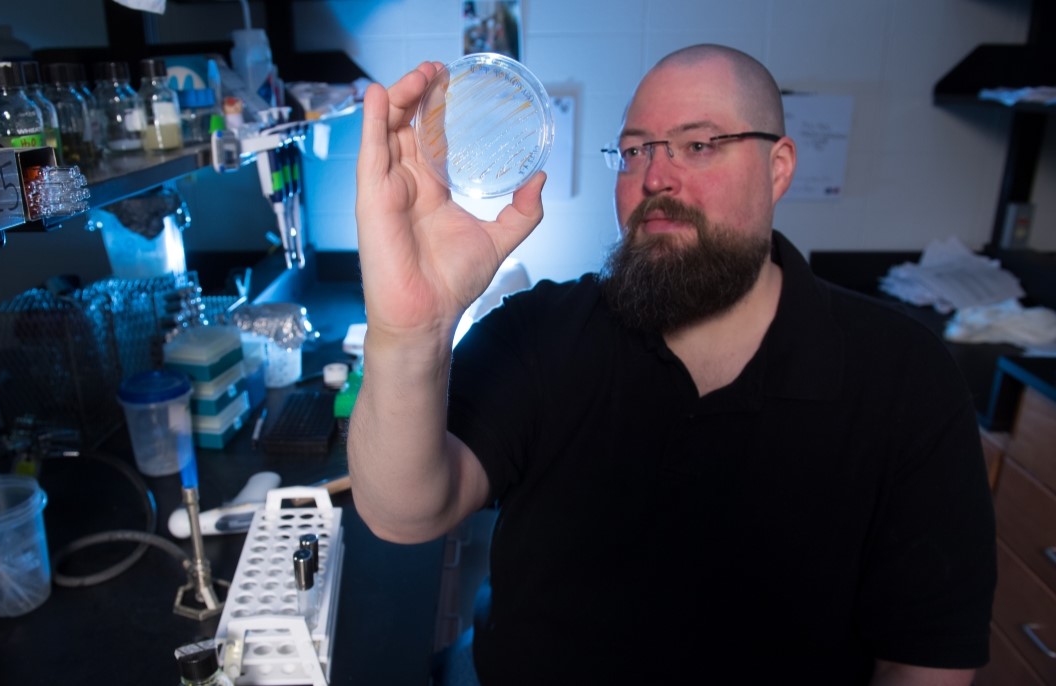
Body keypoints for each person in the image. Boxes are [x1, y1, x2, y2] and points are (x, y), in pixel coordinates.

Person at [349, 44, 996, 685]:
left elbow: (926, 659)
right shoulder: (537, 332)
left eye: (700, 145)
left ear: (778, 168)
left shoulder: (903, 375)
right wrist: (412, 328)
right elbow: (405, 512)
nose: (655, 177)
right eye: (636, 149)